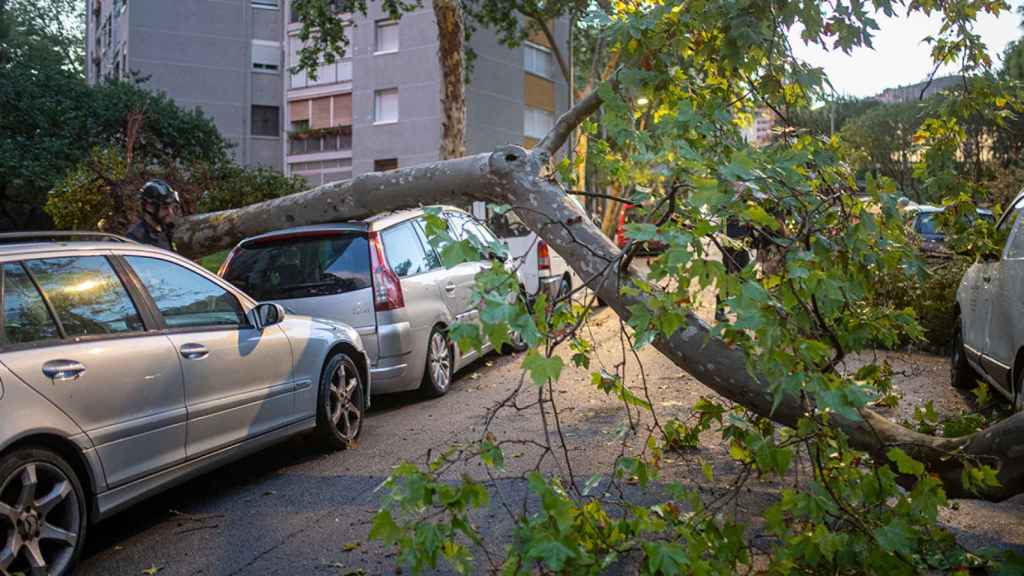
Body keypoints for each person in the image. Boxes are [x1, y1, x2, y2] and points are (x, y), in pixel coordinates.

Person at [126, 179, 180, 251]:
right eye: (165, 208)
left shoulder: (168, 230)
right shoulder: (136, 239)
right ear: (149, 207)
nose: (170, 212)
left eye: (171, 207)